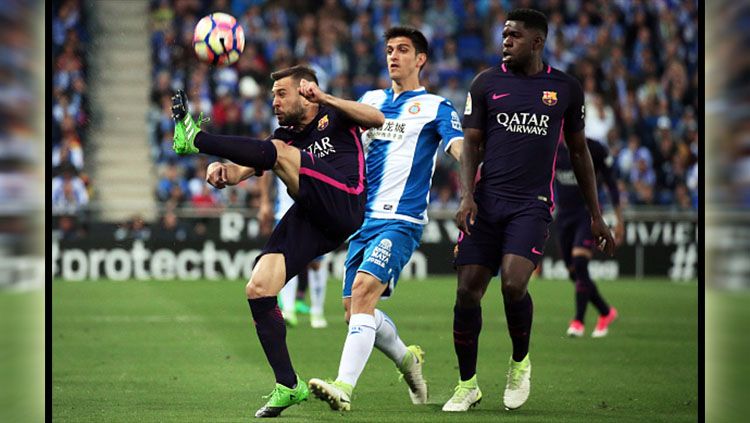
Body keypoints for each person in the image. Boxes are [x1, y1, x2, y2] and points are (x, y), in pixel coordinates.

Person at [171, 64, 384, 418]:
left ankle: (197, 139)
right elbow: (253, 164)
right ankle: (288, 384)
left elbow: (375, 118)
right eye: (273, 95)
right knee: (258, 286)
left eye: (281, 93)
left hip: (345, 200)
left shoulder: (335, 113)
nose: (274, 101)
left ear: (306, 91)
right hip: (313, 214)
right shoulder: (285, 135)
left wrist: (326, 97)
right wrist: (226, 172)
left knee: (281, 153)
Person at [445, 9, 615, 412]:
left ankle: (519, 363)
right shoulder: (485, 83)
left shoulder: (566, 89)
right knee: (467, 291)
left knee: (513, 284)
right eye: (504, 35)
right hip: (486, 202)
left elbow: (579, 153)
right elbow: (471, 144)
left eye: (515, 36)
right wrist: (466, 195)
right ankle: (466, 384)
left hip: (531, 205)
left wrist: (596, 214)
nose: (506, 41)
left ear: (537, 42)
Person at [307, 26, 463, 411]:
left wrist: (480, 172)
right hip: (360, 221)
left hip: (401, 222)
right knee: (354, 313)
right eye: (390, 49)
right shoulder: (371, 100)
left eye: (403, 50)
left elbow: (458, 147)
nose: (393, 56)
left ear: (420, 59)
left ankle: (343, 387)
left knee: (362, 294)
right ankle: (408, 359)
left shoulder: (435, 107)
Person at [554, 138, 624, 337]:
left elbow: (612, 184)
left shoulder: (594, 149)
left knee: (580, 263)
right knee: (573, 272)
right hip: (564, 217)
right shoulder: (554, 148)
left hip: (587, 215)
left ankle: (578, 321)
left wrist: (619, 221)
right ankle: (605, 311)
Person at [258, 172, 328, 328]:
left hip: (316, 211)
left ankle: (317, 311)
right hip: (284, 212)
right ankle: (288, 310)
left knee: (316, 264)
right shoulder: (280, 147)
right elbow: (265, 170)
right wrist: (264, 201)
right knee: (284, 261)